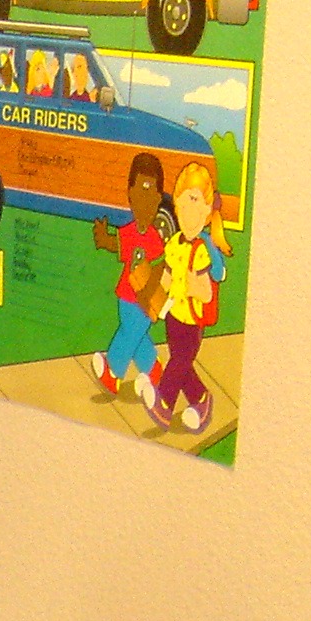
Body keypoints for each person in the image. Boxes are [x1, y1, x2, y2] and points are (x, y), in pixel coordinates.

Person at [142, 158, 228, 432]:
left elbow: (205, 293)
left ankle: (164, 405)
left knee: (179, 361)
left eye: (195, 201)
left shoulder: (201, 251)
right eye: (183, 202)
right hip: (173, 315)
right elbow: (167, 276)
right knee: (182, 363)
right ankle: (201, 400)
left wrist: (192, 286)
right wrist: (155, 299)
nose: (188, 211)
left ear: (206, 211)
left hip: (192, 319)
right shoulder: (174, 244)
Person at [90, 152, 167, 399]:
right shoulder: (130, 231)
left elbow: (161, 268)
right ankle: (155, 372)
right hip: (125, 295)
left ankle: (113, 373)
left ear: (158, 200)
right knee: (138, 339)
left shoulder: (154, 239)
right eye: (139, 194)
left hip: (143, 300)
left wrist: (154, 293)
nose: (144, 202)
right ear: (130, 195)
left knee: (129, 334)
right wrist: (103, 238)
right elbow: (116, 244)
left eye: (150, 196)